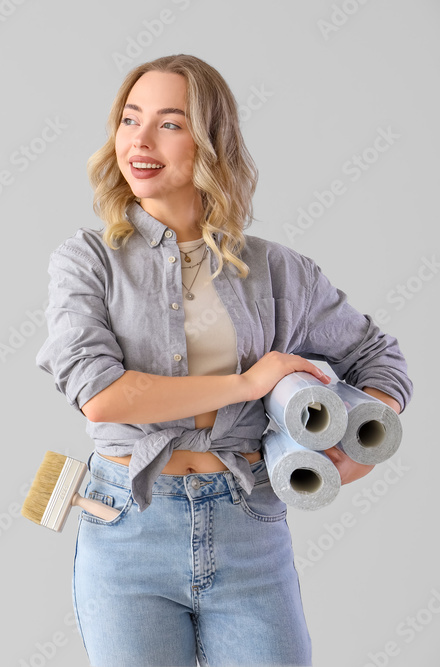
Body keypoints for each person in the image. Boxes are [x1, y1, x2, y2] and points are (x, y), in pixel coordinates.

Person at [34, 54, 413, 667]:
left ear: (211, 142)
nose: (141, 139)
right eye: (130, 120)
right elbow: (103, 394)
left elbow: (378, 357)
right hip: (128, 525)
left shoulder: (276, 269)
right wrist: (248, 382)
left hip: (248, 525)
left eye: (170, 123)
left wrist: (361, 444)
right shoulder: (87, 262)